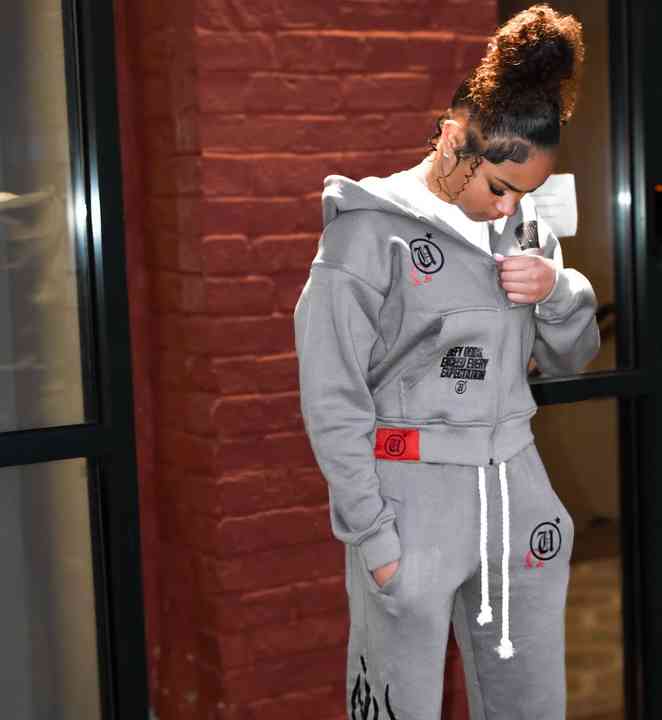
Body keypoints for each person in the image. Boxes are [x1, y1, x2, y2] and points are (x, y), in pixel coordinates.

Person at [293, 4, 599, 719]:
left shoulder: (525, 234)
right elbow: (332, 396)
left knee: (530, 707)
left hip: (515, 487)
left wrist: (557, 290)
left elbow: (571, 360)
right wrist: (374, 538)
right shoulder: (368, 234)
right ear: (454, 140)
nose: (510, 209)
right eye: (500, 187)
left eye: (526, 194)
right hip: (411, 496)